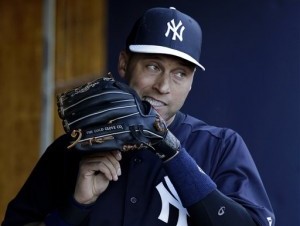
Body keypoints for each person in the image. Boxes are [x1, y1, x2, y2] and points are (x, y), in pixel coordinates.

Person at [2, 6, 275, 226]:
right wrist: (76, 207)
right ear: (124, 63)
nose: (164, 86)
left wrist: (172, 152)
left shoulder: (220, 147)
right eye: (153, 66)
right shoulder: (71, 150)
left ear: (192, 82)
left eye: (180, 73)